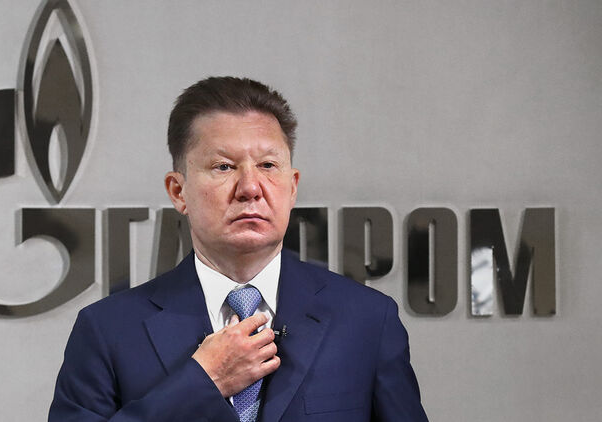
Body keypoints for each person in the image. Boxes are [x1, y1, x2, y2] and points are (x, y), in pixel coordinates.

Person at [49, 76, 428, 421]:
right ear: (178, 191)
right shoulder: (107, 330)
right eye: (224, 167)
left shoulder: (367, 320)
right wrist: (201, 382)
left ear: (293, 187)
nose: (250, 188)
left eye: (268, 165)